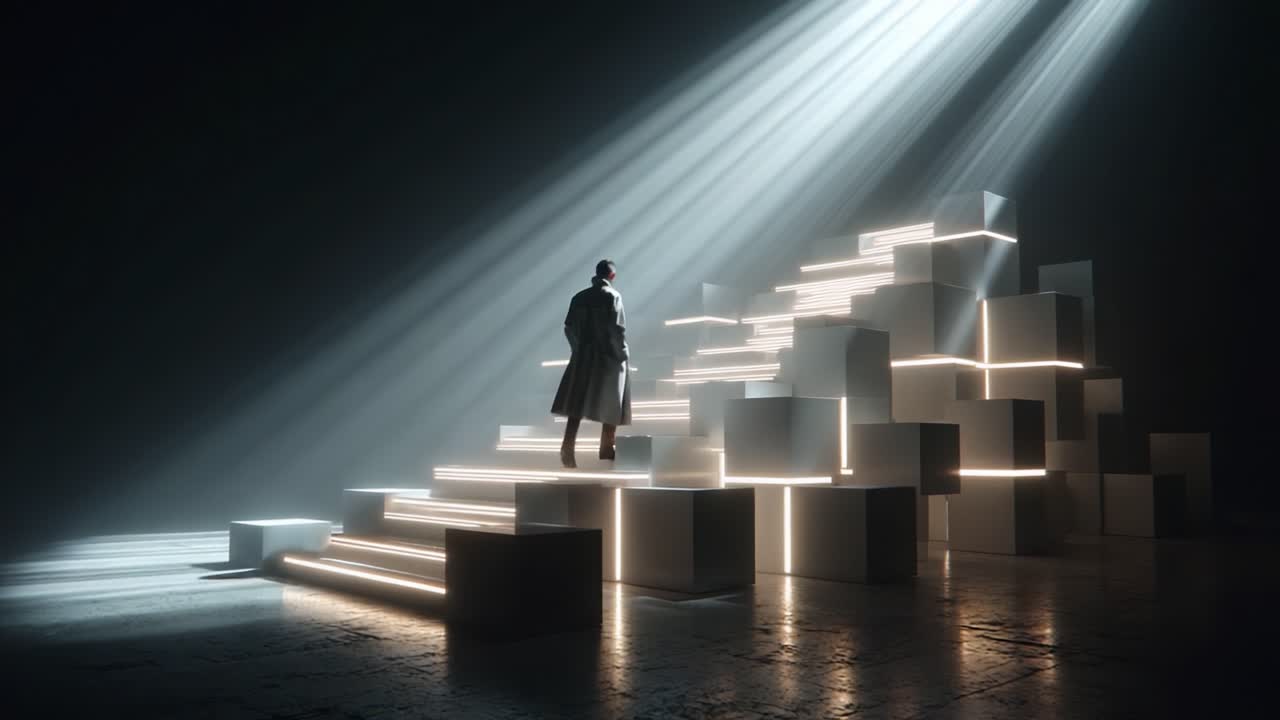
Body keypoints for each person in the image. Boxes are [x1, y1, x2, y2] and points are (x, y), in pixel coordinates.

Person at [551, 259, 632, 468]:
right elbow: (616, 329)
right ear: (612, 276)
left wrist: (577, 348)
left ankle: (567, 447)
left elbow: (568, 327)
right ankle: (606, 446)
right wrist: (621, 353)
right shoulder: (613, 296)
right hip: (606, 356)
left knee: (576, 402)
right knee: (612, 399)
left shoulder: (579, 297)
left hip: (583, 356)